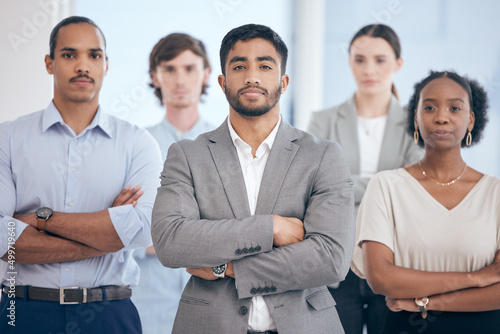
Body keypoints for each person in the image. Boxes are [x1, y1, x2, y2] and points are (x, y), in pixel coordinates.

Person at [151, 23, 355, 334]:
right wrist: (270, 228)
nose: (252, 76)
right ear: (222, 82)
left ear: (283, 81)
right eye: (239, 65)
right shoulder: (187, 155)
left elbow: (330, 259)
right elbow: (172, 241)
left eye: (264, 65)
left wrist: (228, 268)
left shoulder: (323, 156)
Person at [0, 16, 162, 334]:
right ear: (49, 63)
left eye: (94, 55)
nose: (83, 66)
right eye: (69, 54)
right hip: (21, 313)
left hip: (109, 315)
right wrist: (109, 232)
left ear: (106, 64)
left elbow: (144, 230)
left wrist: (40, 219)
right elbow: (5, 243)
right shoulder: (8, 138)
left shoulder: (137, 143)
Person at [352, 70, 500, 334]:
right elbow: (381, 278)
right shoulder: (386, 186)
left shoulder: (495, 193)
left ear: (470, 120)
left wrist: (423, 302)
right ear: (416, 119)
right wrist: (474, 278)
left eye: (455, 108)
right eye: (429, 107)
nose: (441, 117)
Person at [307, 23, 423, 334]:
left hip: (394, 263)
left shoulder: (417, 123)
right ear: (349, 62)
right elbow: (313, 187)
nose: (369, 69)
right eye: (359, 59)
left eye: (380, 60)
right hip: (335, 265)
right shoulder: (324, 120)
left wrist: (343, 183)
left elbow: (413, 188)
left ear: (398, 64)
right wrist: (386, 182)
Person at [132, 32, 215, 334]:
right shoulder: (135, 146)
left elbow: (236, 226)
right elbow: (127, 229)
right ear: (155, 76)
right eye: (169, 69)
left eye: (189, 68)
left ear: (206, 74)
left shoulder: (230, 146)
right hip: (148, 305)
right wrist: (201, 238)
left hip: (214, 305)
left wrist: (167, 238)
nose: (180, 79)